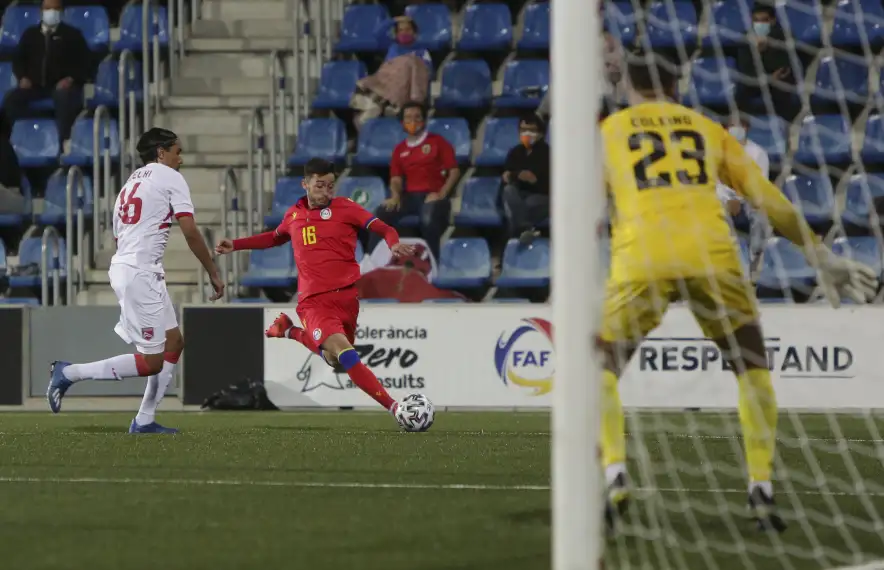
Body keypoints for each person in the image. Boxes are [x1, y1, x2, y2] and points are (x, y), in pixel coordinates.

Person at [598, 49, 877, 532]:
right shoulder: (707, 129)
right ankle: (760, 487)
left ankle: (614, 473)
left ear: (628, 88)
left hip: (643, 254)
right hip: (712, 254)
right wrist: (819, 254)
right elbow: (766, 198)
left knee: (599, 371)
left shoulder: (609, 131)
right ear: (676, 87)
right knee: (752, 369)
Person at [47, 128, 225, 433]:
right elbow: (190, 230)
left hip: (134, 268)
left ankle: (144, 419)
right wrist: (212, 270)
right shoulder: (170, 177)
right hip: (139, 272)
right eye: (177, 152)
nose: (181, 159)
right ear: (161, 153)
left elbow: (119, 236)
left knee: (174, 342)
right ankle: (69, 372)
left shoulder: (129, 184)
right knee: (152, 362)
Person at [215, 158, 416, 425]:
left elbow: (384, 228)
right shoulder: (293, 216)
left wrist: (393, 243)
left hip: (347, 298)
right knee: (346, 353)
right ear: (305, 184)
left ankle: (290, 331)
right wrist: (237, 244)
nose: (326, 192)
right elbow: (274, 237)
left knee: (336, 361)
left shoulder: (346, 207)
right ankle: (396, 408)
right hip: (314, 302)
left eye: (330, 186)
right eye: (320, 185)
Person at [367, 101, 459, 260]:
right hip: (409, 197)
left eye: (417, 117)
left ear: (424, 120)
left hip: (433, 196)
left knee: (427, 218)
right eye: (408, 118)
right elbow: (396, 178)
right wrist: (395, 196)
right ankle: (372, 261)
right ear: (402, 122)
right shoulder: (399, 149)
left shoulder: (438, 142)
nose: (413, 121)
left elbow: (454, 171)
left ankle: (432, 262)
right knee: (380, 215)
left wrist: (441, 194)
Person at [5, 0, 90, 142]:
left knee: (63, 98)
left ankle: (63, 141)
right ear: (41, 11)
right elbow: (18, 60)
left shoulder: (73, 35)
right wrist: (22, 77)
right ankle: (20, 138)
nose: (52, 12)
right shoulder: (30, 34)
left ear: (61, 12)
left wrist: (71, 79)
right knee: (11, 100)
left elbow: (85, 63)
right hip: (35, 87)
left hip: (62, 87)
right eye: (48, 8)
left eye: (56, 9)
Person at [351, 15, 432, 129]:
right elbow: (377, 33)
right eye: (400, 30)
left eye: (408, 29)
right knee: (369, 105)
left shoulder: (422, 52)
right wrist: (395, 20)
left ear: (415, 32)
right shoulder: (392, 46)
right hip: (383, 88)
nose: (404, 33)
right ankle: (365, 132)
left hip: (404, 94)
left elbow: (424, 75)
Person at [717, 115, 771, 270]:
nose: (735, 129)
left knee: (760, 214)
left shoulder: (758, 153)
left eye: (739, 125)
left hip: (748, 201)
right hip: (723, 201)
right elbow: (715, 184)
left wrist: (741, 199)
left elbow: (760, 186)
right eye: (731, 126)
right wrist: (727, 200)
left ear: (746, 128)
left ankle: (753, 260)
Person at [735, 3, 796, 120]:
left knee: (783, 89)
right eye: (756, 20)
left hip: (778, 81)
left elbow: (783, 67)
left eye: (764, 20)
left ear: (772, 21)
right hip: (756, 80)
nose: (759, 24)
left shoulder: (784, 36)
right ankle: (742, 125)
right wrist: (757, 52)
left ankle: (785, 124)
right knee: (741, 90)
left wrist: (767, 47)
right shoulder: (746, 37)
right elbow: (744, 68)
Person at [501, 114, 550, 245]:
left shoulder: (548, 153)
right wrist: (518, 176)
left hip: (541, 196)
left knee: (523, 207)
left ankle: (515, 236)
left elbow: (551, 186)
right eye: (523, 130)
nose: (527, 133)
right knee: (509, 191)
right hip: (518, 195)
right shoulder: (514, 152)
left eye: (531, 130)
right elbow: (506, 178)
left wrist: (533, 181)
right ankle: (525, 229)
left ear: (541, 133)